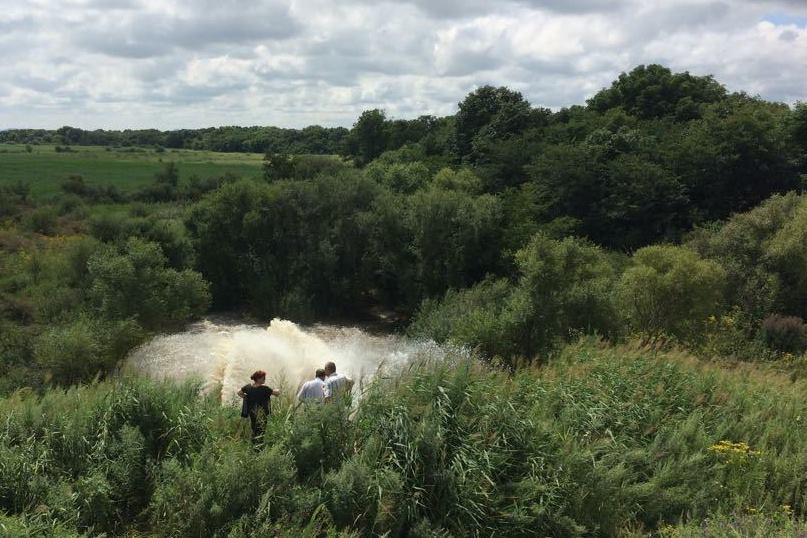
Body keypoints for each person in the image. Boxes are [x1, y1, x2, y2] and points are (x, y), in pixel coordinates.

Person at [238, 370, 280, 445]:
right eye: (263, 378)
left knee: (254, 428)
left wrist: (246, 397)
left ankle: (253, 445)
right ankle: (258, 447)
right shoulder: (265, 388)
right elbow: (276, 393)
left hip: (252, 412)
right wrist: (278, 390)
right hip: (262, 413)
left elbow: (239, 393)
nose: (265, 379)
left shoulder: (248, 387)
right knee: (261, 430)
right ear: (258, 378)